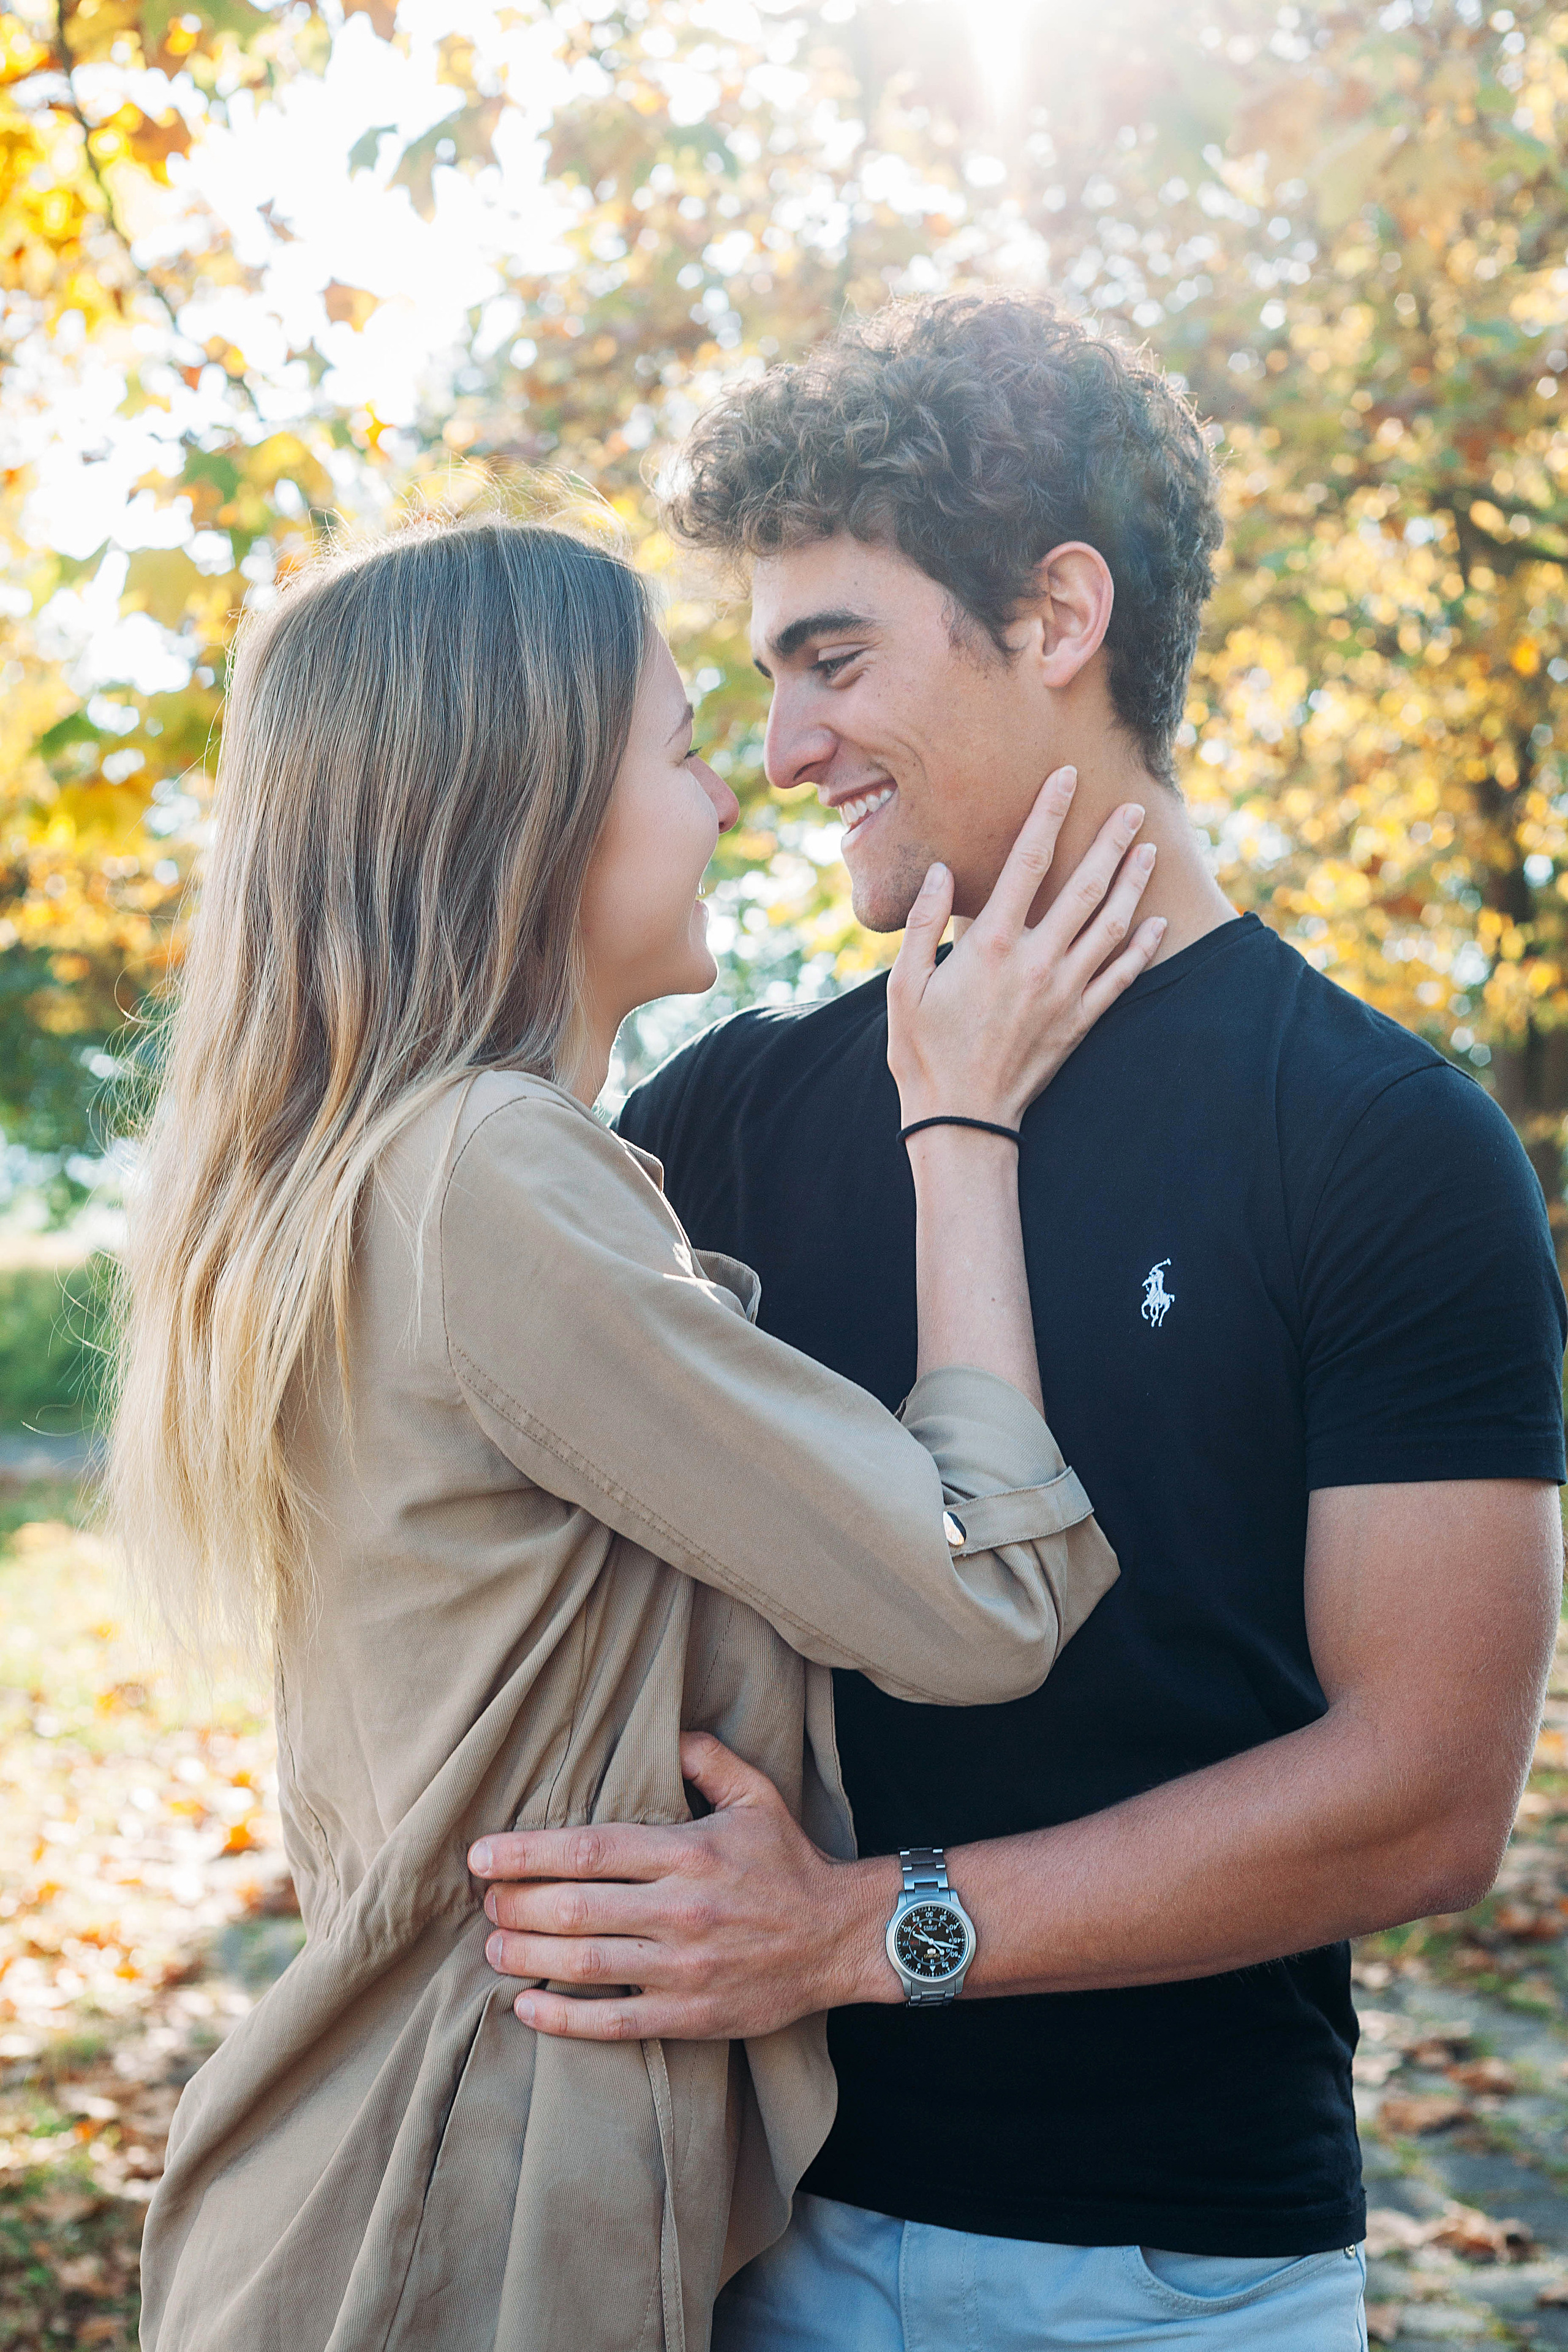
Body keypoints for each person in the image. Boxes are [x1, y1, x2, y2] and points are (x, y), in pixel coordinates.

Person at [471, 296, 1568, 2349]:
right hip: (727, 2230)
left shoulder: (1385, 1143)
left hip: (1176, 2277)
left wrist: (852, 1937)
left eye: (833, 658)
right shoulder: (716, 1118)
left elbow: (1429, 1790)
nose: (783, 751)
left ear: (1060, 617)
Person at [110, 509, 1165, 2351]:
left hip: (384, 2191)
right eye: (682, 750)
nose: (735, 796)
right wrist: (965, 1122)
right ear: (526, 818)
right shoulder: (489, 1179)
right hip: (467, 2218)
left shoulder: (362, 1178)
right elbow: (978, 1606)